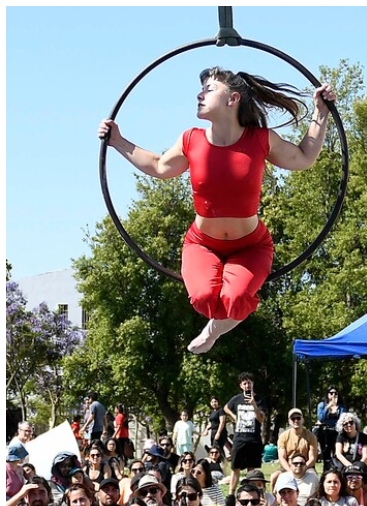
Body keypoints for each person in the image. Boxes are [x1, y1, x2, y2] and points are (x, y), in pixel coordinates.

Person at [98, 68, 336, 354]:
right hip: (202, 243)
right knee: (202, 298)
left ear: (232, 99)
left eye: (209, 89)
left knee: (235, 300)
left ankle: (213, 331)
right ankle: (215, 323)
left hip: (250, 247)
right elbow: (159, 166)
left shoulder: (260, 139)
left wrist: (320, 113)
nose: (200, 95)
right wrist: (117, 141)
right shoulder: (191, 140)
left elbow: (304, 158)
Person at [224, 372, 265, 506]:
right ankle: (231, 495)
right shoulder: (236, 399)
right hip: (239, 438)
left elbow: (261, 419)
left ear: (253, 384)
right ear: (241, 385)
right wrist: (234, 417)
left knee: (251, 469)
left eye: (249, 383)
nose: (247, 385)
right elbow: (226, 408)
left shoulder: (259, 400)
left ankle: (250, 493)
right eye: (244, 383)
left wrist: (253, 404)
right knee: (235, 467)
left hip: (253, 439)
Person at [272, 408, 318, 491]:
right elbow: (282, 458)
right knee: (274, 477)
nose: (296, 421)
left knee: (315, 478)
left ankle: (314, 497)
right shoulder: (283, 436)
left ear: (303, 420)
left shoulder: (311, 436)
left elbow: (312, 458)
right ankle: (274, 497)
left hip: (306, 466)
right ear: (289, 421)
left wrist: (303, 468)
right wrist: (290, 470)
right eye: (293, 419)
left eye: (298, 418)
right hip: (288, 466)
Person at [315, 387, 343, 468]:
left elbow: (342, 419)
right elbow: (321, 418)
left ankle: (337, 470)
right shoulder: (321, 405)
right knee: (326, 454)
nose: (333, 395)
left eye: (335, 393)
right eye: (331, 393)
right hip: (324, 432)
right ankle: (326, 470)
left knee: (336, 454)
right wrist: (327, 407)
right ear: (327, 394)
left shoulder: (341, 407)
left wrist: (336, 408)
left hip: (336, 432)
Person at [206, 397, 228, 461]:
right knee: (214, 449)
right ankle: (217, 463)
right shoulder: (212, 412)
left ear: (218, 402)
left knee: (218, 448)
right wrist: (206, 429)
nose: (214, 403)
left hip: (220, 432)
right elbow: (212, 423)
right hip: (213, 432)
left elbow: (222, 422)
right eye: (212, 402)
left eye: (215, 401)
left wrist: (218, 433)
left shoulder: (221, 410)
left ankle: (223, 462)